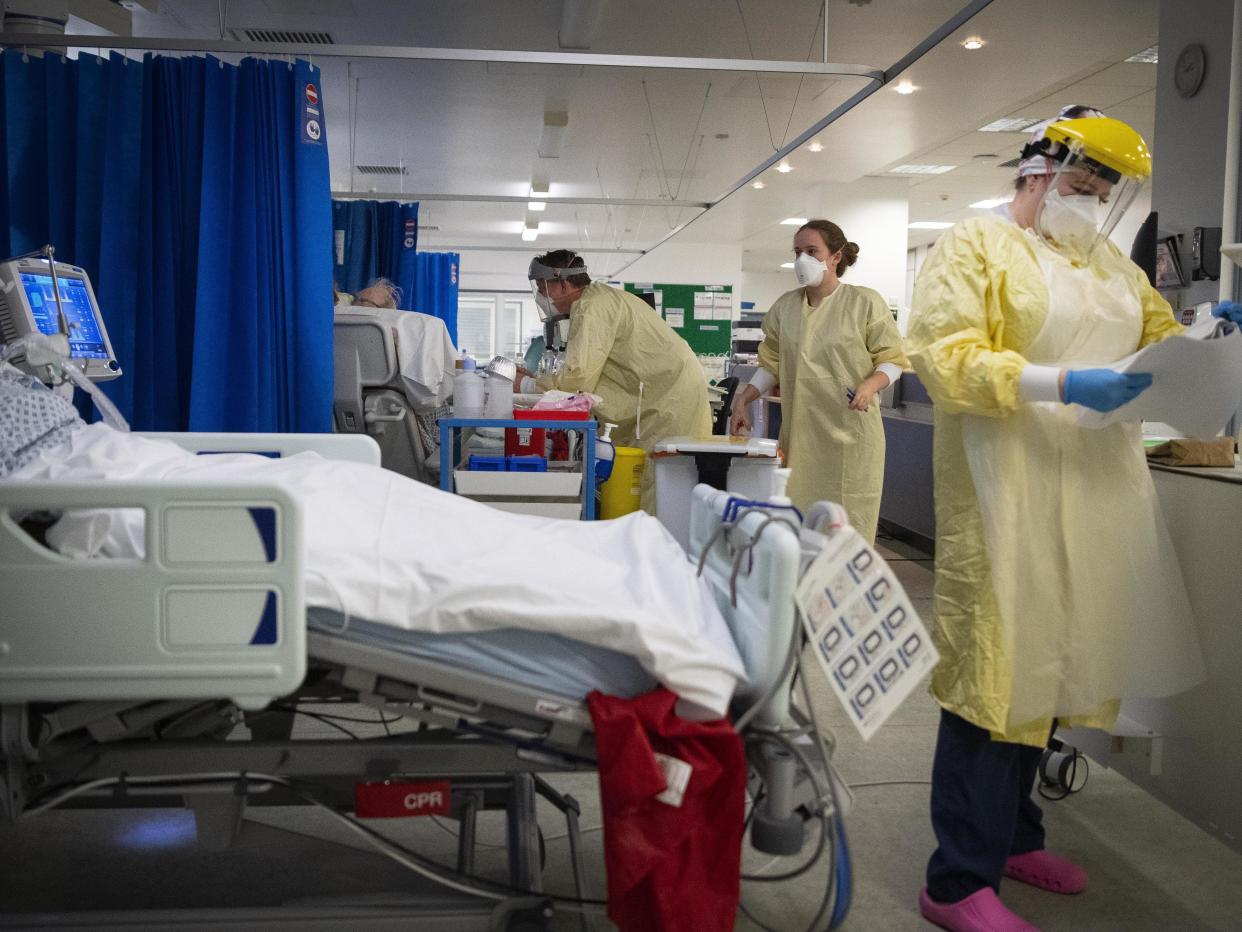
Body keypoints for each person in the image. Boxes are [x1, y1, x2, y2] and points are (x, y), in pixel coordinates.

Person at [906, 109, 1206, 932]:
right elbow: (946, 357)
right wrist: (1063, 384)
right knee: (996, 675)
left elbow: (1159, 339)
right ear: (1036, 169)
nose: (1092, 200)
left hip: (1092, 491)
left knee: (1057, 666)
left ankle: (1014, 837)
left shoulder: (1109, 262)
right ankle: (956, 879)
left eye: (1106, 190)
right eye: (1081, 182)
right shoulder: (974, 244)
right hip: (1003, 487)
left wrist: (1210, 337)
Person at [727, 220, 907, 542]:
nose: (801, 260)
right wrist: (743, 399)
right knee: (799, 526)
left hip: (852, 438)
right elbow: (773, 364)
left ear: (835, 256)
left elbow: (892, 359)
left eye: (812, 251)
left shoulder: (864, 303)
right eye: (797, 252)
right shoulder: (785, 308)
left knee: (847, 531)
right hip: (802, 437)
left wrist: (870, 386)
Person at [516, 250, 712, 513]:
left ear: (563, 284)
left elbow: (576, 378)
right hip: (666, 395)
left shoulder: (592, 308)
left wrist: (525, 385)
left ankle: (654, 549)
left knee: (654, 484)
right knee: (645, 481)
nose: (541, 296)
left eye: (543, 288)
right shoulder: (599, 300)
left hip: (668, 401)